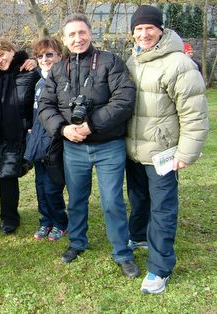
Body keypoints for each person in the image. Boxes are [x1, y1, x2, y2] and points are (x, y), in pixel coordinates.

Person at [38, 13, 139, 278]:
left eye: (81, 32)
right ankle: (77, 242)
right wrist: (63, 128)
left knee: (111, 201)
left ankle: (122, 252)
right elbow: (45, 106)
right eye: (71, 34)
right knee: (77, 200)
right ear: (64, 39)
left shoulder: (110, 62)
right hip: (74, 147)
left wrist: (92, 125)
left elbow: (124, 100)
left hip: (109, 145)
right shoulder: (58, 69)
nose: (77, 38)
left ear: (90, 34)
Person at [126, 5, 209, 294]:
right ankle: (137, 236)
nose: (144, 34)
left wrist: (185, 153)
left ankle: (159, 269)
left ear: (161, 30)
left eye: (149, 28)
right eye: (138, 29)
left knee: (162, 209)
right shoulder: (133, 60)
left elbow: (194, 114)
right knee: (138, 199)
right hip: (134, 151)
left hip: (163, 152)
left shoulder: (178, 63)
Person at [0, 40, 40, 234]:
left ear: (13, 51)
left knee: (12, 173)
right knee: (6, 175)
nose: (0, 61)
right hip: (1, 134)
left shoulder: (30, 72)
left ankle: (49, 214)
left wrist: (34, 60)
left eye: (2, 55)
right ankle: (8, 218)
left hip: (22, 132)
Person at [24, 37, 68, 241]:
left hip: (55, 144)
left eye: (49, 54)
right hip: (38, 143)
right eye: (40, 55)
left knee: (52, 188)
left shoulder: (65, 80)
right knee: (40, 186)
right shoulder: (39, 81)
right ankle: (45, 221)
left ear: (59, 55)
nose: (44, 59)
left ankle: (60, 222)